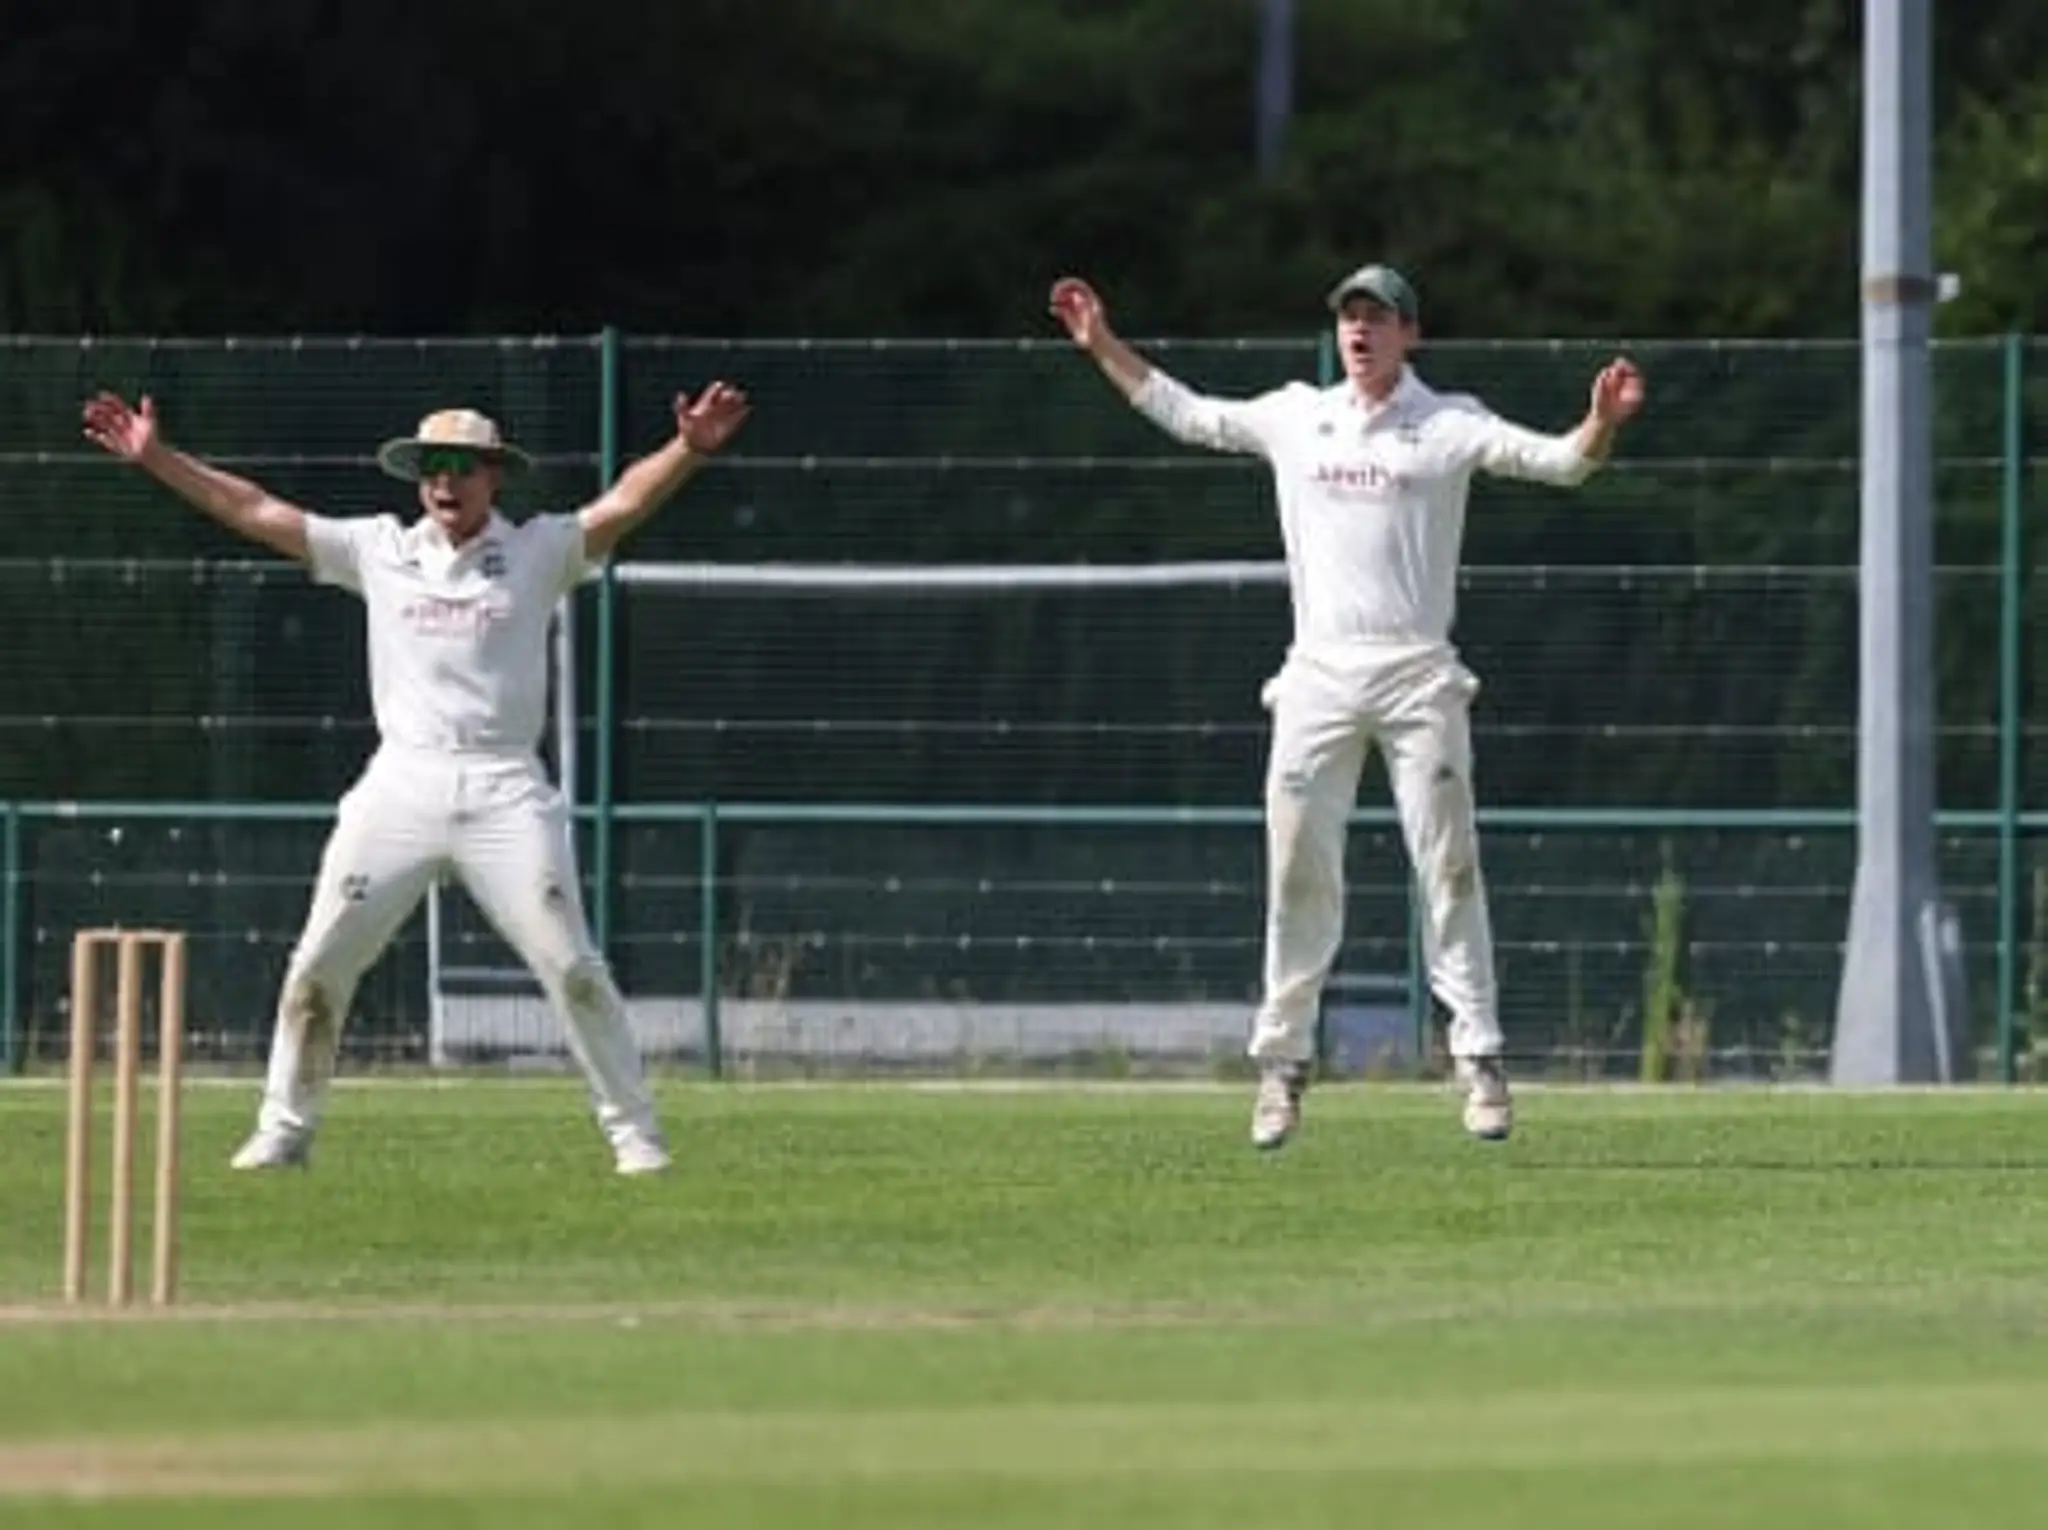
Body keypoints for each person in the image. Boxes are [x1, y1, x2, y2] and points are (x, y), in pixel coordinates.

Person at [80, 383, 752, 1174]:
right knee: (320, 964)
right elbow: (254, 511)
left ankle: (635, 1135)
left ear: (493, 476)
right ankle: (284, 1131)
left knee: (572, 966)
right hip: (401, 784)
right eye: (432, 467)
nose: (445, 482)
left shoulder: (536, 549)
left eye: (462, 468)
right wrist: (157, 458)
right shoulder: (379, 548)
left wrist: (689, 449)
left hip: (506, 787)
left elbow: (622, 505)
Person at [1049, 264, 1643, 1149]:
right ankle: (1282, 1068)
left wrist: (1600, 423)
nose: (1359, 331)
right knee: (1296, 868)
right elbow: (1190, 413)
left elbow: (1559, 465)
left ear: (1412, 333)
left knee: (1448, 865)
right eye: (1349, 318)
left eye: (1377, 317)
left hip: (1419, 678)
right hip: (1318, 678)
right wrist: (1102, 346)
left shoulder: (1449, 423)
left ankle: (1478, 1059)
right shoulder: (1299, 414)